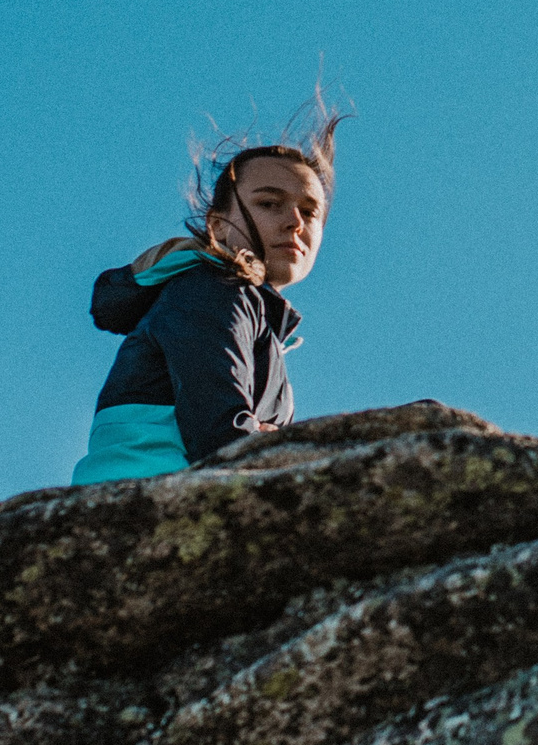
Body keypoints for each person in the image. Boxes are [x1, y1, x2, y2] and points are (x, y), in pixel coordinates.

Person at [71, 106, 343, 485]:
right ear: (217, 223)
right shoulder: (212, 290)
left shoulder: (253, 314)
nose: (295, 222)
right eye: (269, 203)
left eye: (310, 212)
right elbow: (220, 435)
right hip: (145, 500)